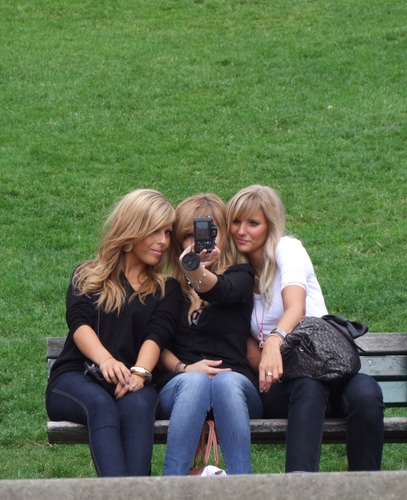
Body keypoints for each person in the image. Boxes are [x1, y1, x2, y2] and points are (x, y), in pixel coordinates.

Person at [226, 184, 384, 472]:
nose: (241, 231)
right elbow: (244, 340)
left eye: (253, 223)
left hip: (327, 369)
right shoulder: (235, 273)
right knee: (308, 387)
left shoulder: (287, 249)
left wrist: (274, 340)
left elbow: (295, 306)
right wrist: (268, 365)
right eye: (236, 221)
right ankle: (298, 487)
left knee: (366, 392)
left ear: (270, 226)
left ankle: (367, 488)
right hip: (285, 384)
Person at [46, 189, 183, 477]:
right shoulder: (87, 274)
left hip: (134, 381)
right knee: (101, 405)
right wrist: (106, 361)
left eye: (168, 232)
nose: (163, 241)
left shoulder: (166, 288)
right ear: (132, 229)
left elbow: (157, 335)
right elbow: (79, 323)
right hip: (78, 376)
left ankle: (134, 495)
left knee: (138, 407)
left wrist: (139, 374)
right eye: (155, 231)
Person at [154, 194, 263, 475]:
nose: (199, 243)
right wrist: (186, 369)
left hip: (235, 390)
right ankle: (171, 488)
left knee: (226, 381)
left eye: (209, 233)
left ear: (224, 236)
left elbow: (221, 290)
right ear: (178, 242)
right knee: (195, 382)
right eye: (188, 236)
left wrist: (195, 270)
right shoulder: (168, 289)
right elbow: (156, 342)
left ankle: (243, 488)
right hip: (181, 389)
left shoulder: (241, 276)